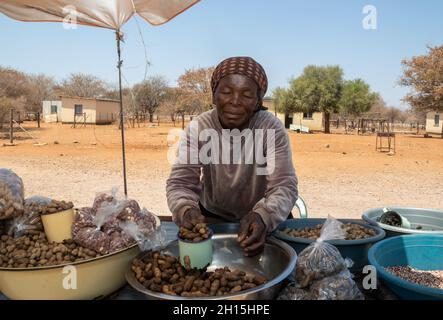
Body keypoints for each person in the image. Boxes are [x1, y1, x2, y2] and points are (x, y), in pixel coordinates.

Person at [166, 56, 298, 256]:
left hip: (262, 218)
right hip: (212, 217)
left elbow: (284, 185)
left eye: (246, 94)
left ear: (258, 101)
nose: (235, 102)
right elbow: (181, 182)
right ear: (213, 96)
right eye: (226, 92)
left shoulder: (270, 128)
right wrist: (185, 208)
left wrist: (264, 215)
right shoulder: (200, 127)